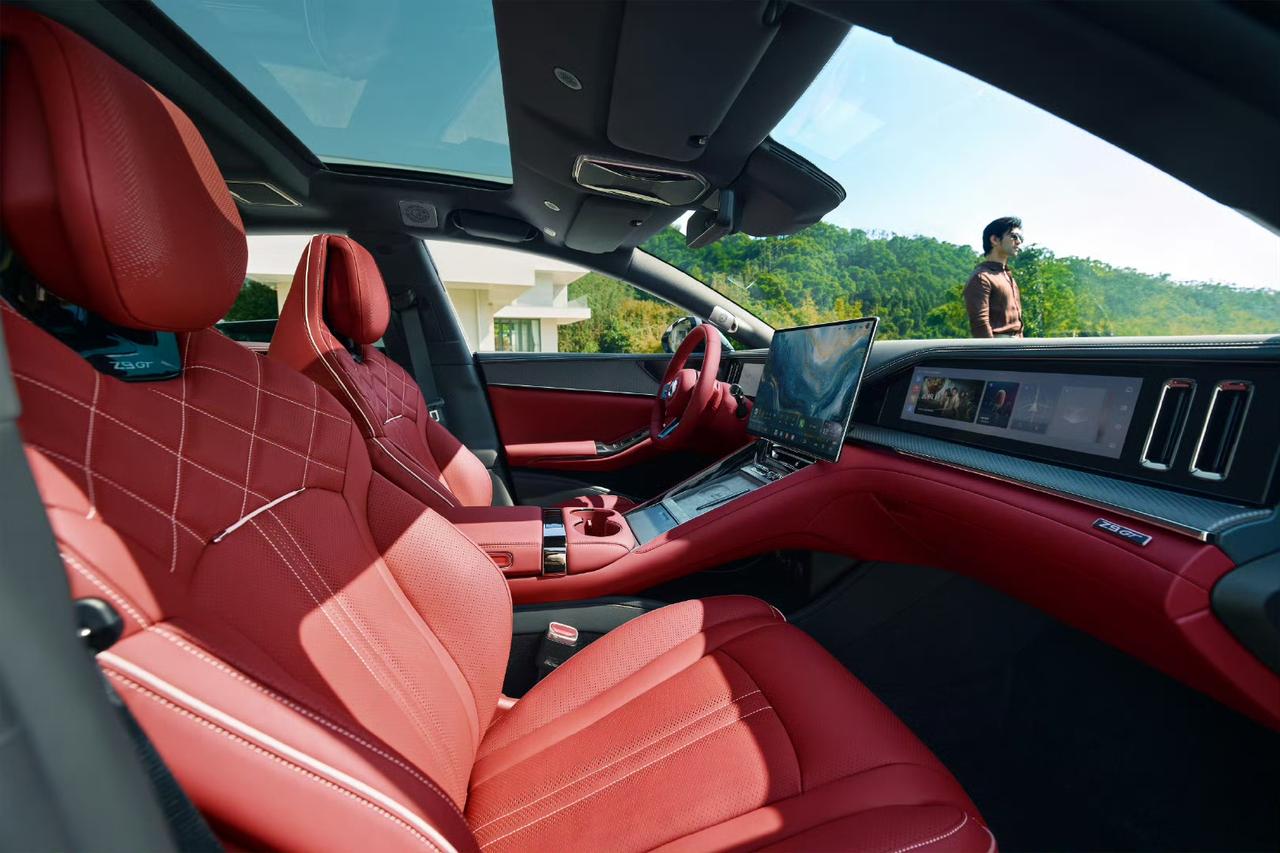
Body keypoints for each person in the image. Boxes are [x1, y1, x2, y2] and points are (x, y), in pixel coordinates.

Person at [964, 216, 1025, 338]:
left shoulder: (1008, 276)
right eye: (1014, 236)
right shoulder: (982, 277)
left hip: (1017, 346)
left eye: (1021, 238)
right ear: (995, 239)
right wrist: (992, 349)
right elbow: (980, 325)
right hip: (998, 346)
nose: (1019, 242)